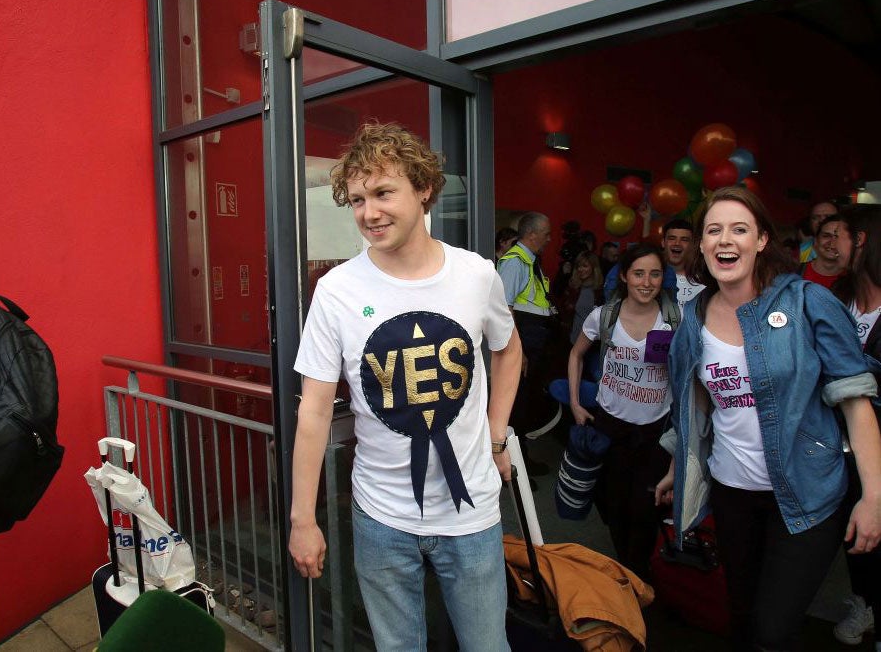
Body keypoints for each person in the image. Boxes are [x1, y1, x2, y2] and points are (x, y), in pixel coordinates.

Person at [289, 122, 522, 652]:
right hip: (380, 517)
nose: (369, 212)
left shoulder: (475, 275)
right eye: (356, 200)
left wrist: (496, 434)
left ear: (423, 189)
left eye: (383, 192)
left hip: (472, 514)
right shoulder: (335, 291)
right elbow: (315, 411)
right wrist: (304, 519)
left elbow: (508, 350)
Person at [655, 186, 881, 651]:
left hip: (807, 493)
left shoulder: (806, 303)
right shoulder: (692, 319)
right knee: (741, 614)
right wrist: (678, 467)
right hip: (733, 492)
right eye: (713, 230)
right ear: (701, 245)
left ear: (761, 241)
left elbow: (856, 402)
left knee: (773, 629)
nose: (725, 240)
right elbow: (693, 406)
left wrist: (874, 497)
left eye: (740, 229)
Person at [567, 243, 675, 579]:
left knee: (644, 510)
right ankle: (626, 566)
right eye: (639, 273)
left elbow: (688, 375)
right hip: (610, 427)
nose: (646, 281)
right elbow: (576, 355)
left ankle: (634, 575)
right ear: (625, 275)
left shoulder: (675, 319)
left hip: (655, 432)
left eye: (655, 273)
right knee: (614, 506)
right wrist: (574, 403)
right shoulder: (605, 316)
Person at [831, 205, 881, 649]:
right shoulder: (837, 300)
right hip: (835, 446)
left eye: (839, 236)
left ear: (861, 240)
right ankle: (864, 602)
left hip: (877, 446)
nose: (831, 246)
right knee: (856, 536)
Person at [498, 211, 560, 438]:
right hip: (525, 337)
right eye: (547, 234)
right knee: (520, 401)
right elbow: (505, 308)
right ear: (532, 235)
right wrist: (518, 349)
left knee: (530, 397)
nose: (550, 239)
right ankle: (515, 460)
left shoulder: (531, 262)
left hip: (536, 336)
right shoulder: (515, 262)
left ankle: (523, 454)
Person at [802, 213, 852, 291]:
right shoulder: (796, 273)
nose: (832, 243)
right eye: (826, 236)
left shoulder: (856, 280)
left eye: (837, 237)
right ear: (815, 241)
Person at [799, 199, 839, 264]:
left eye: (828, 217)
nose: (821, 221)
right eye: (815, 218)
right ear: (810, 222)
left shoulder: (849, 249)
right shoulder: (801, 251)